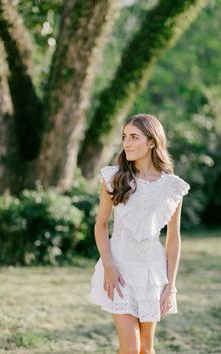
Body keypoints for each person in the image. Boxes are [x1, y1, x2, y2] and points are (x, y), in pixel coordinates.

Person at [89, 113, 190, 354]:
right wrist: (109, 267)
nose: (127, 143)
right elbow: (101, 226)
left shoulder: (172, 187)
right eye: (125, 137)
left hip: (152, 274)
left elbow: (173, 239)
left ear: (152, 141)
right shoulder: (113, 178)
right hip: (119, 270)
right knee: (131, 347)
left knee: (146, 348)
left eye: (134, 137)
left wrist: (170, 286)